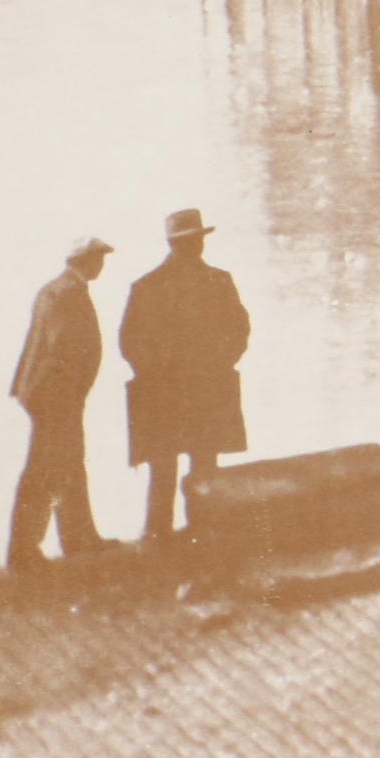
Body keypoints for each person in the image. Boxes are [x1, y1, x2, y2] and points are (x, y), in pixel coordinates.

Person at [118, 207, 250, 544]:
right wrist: (221, 364)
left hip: (172, 390)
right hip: (196, 387)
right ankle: (201, 529)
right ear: (182, 243)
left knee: (173, 463)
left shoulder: (147, 286)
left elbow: (130, 342)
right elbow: (239, 330)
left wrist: (152, 374)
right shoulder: (216, 281)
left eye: (195, 240)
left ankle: (159, 533)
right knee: (199, 462)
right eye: (191, 241)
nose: (195, 246)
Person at [4, 235, 112, 571]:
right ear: (86, 260)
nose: (102, 264)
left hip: (48, 394)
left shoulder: (56, 289)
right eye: (99, 257)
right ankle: (25, 551)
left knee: (67, 463)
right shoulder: (67, 293)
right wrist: (68, 395)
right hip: (54, 396)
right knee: (45, 469)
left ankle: (78, 538)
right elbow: (61, 350)